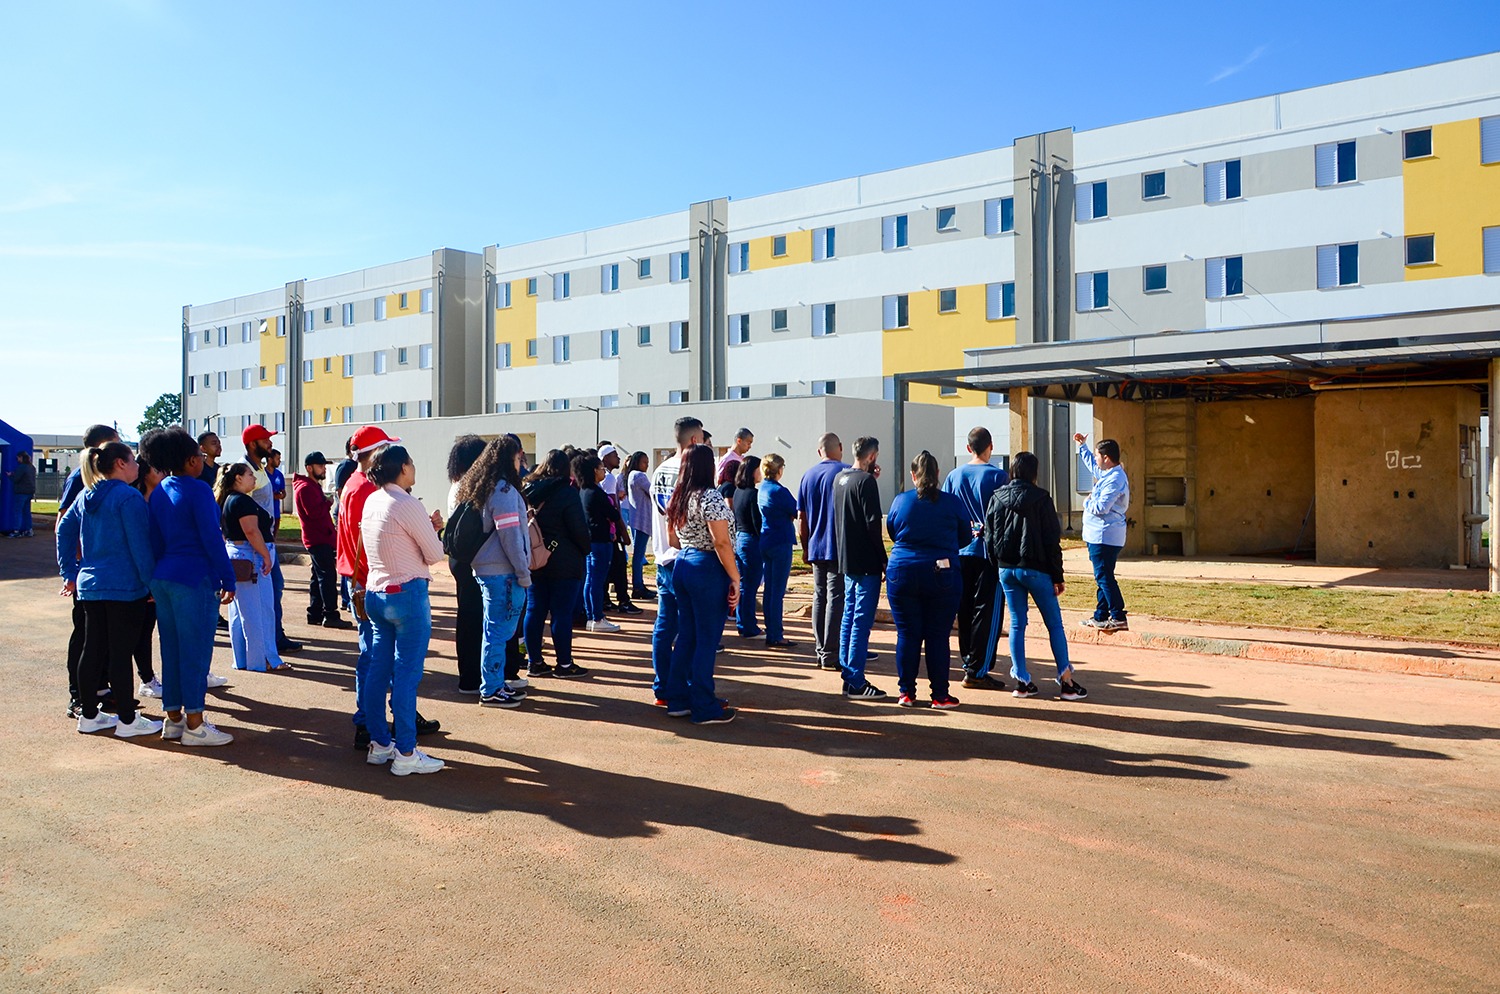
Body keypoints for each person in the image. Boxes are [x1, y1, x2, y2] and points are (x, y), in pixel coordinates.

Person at [337, 425, 439, 748]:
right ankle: (383, 731)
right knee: (393, 667)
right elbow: (425, 551)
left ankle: (378, 734)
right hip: (386, 584)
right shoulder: (370, 491)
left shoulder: (361, 489)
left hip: (372, 586)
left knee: (379, 662)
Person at [56, 441, 162, 738]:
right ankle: (127, 720)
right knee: (120, 652)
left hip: (91, 585)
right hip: (124, 586)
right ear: (120, 464)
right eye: (133, 461)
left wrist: (70, 573)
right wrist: (150, 582)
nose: (138, 466)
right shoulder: (128, 497)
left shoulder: (86, 495)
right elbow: (139, 545)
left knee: (93, 649)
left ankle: (89, 715)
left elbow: (63, 530)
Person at [142, 427, 237, 745]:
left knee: (171, 649)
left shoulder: (160, 489)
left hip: (164, 577)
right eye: (201, 455)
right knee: (196, 651)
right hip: (194, 578)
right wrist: (228, 577)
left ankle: (174, 719)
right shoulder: (198, 491)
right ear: (191, 460)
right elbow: (213, 539)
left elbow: (153, 540)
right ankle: (195, 724)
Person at [360, 445, 448, 775]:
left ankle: (380, 744)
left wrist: (427, 529)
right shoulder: (407, 503)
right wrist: (433, 530)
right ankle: (407, 752)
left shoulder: (373, 500)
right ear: (403, 469)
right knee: (406, 676)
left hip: (376, 592)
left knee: (378, 670)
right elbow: (434, 554)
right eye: (411, 463)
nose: (414, 467)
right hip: (407, 593)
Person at [986, 451, 1087, 701]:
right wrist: (1057, 575)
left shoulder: (997, 497)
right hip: (1036, 568)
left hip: (1006, 569)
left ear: (1012, 471)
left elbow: (989, 535)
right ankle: (1066, 681)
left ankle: (1021, 682)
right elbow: (1052, 540)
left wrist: (996, 564)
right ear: (1034, 473)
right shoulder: (1042, 498)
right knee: (1054, 624)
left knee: (1017, 624)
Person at [453, 435, 532, 708]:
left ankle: (493, 684)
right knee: (498, 632)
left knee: (492, 630)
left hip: (487, 570)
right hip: (503, 572)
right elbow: (511, 537)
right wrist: (524, 572)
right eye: (518, 457)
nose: (521, 462)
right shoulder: (504, 491)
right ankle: (492, 688)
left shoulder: (483, 487)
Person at [663, 443, 738, 725]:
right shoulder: (711, 497)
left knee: (687, 636)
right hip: (706, 566)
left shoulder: (679, 496)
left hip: (682, 562)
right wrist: (735, 577)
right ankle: (704, 706)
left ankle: (679, 698)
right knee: (706, 639)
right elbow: (721, 542)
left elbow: (672, 538)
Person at [887, 451, 969, 709]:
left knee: (907, 634)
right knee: (937, 635)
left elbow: (892, 530)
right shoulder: (951, 502)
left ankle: (906, 692)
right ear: (937, 475)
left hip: (902, 571)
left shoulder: (901, 501)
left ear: (913, 476)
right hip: (941, 572)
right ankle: (940, 695)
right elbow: (965, 536)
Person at [942, 427, 1010, 690]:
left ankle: (969, 661)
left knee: (965, 609)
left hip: (960, 550)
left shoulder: (953, 476)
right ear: (990, 446)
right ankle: (978, 669)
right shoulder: (998, 476)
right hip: (987, 552)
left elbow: (947, 511)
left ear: (968, 448)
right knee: (988, 610)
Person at [59, 424, 119, 718]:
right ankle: (78, 695)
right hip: (88, 573)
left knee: (102, 636)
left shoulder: (107, 482)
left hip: (103, 573)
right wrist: (72, 568)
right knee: (85, 635)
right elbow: (64, 523)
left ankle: (100, 688)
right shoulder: (79, 478)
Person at [521, 449, 591, 678]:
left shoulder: (528, 489)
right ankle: (563, 664)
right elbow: (578, 528)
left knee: (534, 609)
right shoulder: (567, 493)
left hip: (535, 558)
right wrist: (585, 550)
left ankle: (535, 662)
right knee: (561, 613)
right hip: (564, 559)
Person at [649, 417, 704, 705]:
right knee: (690, 630)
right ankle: (684, 688)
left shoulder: (659, 470)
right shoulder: (692, 470)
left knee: (665, 625)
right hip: (687, 556)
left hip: (662, 557)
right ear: (694, 440)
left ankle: (663, 687)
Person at [216, 462, 287, 673]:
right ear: (238, 477)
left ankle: (243, 659)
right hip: (251, 556)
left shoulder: (228, 499)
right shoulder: (242, 501)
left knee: (240, 612)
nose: (254, 478)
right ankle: (264, 659)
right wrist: (265, 555)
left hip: (238, 555)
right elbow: (252, 531)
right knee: (260, 611)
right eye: (249, 474)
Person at [834, 436, 888, 699]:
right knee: (860, 621)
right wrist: (883, 559)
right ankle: (855, 679)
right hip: (865, 560)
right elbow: (872, 523)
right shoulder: (865, 482)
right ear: (872, 456)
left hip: (847, 557)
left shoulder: (841, 478)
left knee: (849, 616)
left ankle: (849, 674)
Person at [239, 424, 298, 654]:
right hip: (255, 544)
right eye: (265, 440)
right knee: (263, 594)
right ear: (253, 443)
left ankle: (273, 636)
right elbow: (240, 506)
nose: (270, 443)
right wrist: (258, 542)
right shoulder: (244, 469)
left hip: (267, 539)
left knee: (274, 589)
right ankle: (266, 643)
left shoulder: (260, 468)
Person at [798, 433, 849, 672]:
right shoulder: (846, 472)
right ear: (839, 448)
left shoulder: (807, 476)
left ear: (820, 452)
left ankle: (821, 650)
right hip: (839, 545)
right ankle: (830, 652)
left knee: (820, 597)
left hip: (816, 544)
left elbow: (802, 517)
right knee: (836, 597)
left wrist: (805, 546)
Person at [444, 434, 489, 694]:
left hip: (459, 557)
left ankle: (470, 675)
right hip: (470, 557)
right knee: (472, 617)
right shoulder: (469, 486)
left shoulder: (458, 483)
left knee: (468, 615)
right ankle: (470, 677)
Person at [1074, 432, 1130, 632]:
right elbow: (1092, 465)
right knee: (1103, 576)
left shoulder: (1114, 479)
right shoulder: (1108, 474)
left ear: (1106, 458)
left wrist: (1087, 501)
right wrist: (1083, 447)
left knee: (1104, 577)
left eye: (1098, 456)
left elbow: (1101, 507)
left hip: (1104, 535)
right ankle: (1101, 615)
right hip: (1100, 535)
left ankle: (1118, 616)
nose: (1096, 459)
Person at [293, 451, 348, 629]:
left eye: (324, 465)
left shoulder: (310, 485)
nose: (324, 468)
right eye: (320, 465)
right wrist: (327, 503)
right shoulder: (306, 488)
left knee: (318, 577)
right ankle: (330, 614)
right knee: (327, 577)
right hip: (318, 538)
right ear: (309, 468)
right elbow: (314, 514)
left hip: (320, 537)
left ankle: (315, 612)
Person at [129, 442, 163, 698]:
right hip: (137, 577)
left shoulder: (161, 500)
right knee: (137, 631)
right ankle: (146, 679)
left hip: (156, 574)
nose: (163, 473)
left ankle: (148, 677)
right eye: (158, 468)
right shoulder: (135, 500)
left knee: (146, 628)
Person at [575, 451, 622, 634]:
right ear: (594, 471)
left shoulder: (583, 490)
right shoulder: (596, 492)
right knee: (597, 580)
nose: (603, 471)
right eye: (601, 468)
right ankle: (597, 617)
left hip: (590, 540)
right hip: (600, 540)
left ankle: (592, 616)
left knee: (590, 579)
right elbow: (614, 514)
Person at [757, 453, 798, 650]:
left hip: (766, 539)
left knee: (769, 590)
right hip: (780, 541)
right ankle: (776, 634)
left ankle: (771, 630)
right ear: (779, 470)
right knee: (777, 591)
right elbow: (795, 509)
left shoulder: (763, 488)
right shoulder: (779, 491)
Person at [598, 444, 639, 614]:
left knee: (611, 565)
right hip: (611, 530)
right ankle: (623, 600)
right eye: (614, 455)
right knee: (619, 564)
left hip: (608, 530)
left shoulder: (608, 477)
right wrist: (622, 531)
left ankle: (607, 599)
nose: (618, 458)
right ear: (606, 458)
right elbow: (613, 506)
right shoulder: (608, 478)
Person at [730, 455, 764, 639]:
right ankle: (748, 626)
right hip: (751, 541)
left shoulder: (738, 491)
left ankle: (743, 623)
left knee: (744, 585)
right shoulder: (753, 494)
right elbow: (757, 523)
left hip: (739, 538)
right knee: (750, 586)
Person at [625, 451, 653, 600]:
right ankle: (638, 586)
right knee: (639, 554)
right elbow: (652, 491)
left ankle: (639, 585)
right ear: (637, 462)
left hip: (637, 519)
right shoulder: (639, 476)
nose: (647, 465)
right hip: (643, 520)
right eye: (644, 462)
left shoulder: (631, 475)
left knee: (638, 554)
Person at [6, 450, 36, 537]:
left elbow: (16, 479)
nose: (17, 459)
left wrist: (10, 475)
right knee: (26, 512)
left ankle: (16, 531)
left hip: (21, 492)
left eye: (18, 458)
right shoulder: (31, 467)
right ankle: (29, 530)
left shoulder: (21, 467)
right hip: (30, 492)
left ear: (21, 457)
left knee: (18, 511)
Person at [266, 447, 286, 537]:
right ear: (270, 459)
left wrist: (281, 496)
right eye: (277, 459)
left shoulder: (279, 474)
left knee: (274, 537)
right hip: (265, 511)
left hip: (276, 511)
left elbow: (283, 492)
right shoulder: (263, 474)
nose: (279, 461)